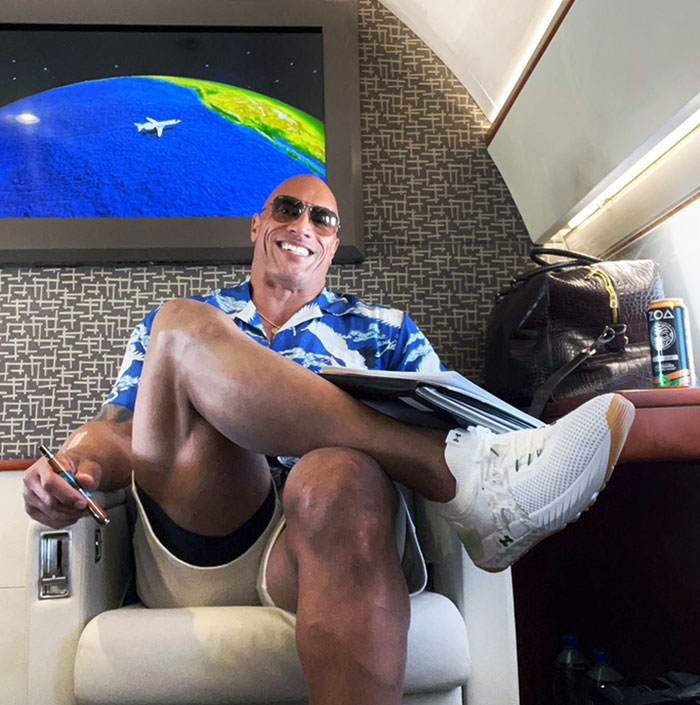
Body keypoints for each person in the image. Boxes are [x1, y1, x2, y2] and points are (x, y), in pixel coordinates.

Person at [23, 174, 635, 705]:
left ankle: (456, 471)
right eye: (287, 209)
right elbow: (120, 429)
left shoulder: (385, 330)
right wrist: (77, 462)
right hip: (207, 532)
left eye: (323, 218)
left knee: (334, 474)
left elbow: (453, 414)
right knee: (180, 325)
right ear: (258, 225)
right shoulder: (187, 324)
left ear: (334, 244)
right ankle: (460, 476)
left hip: (339, 533)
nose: (303, 225)